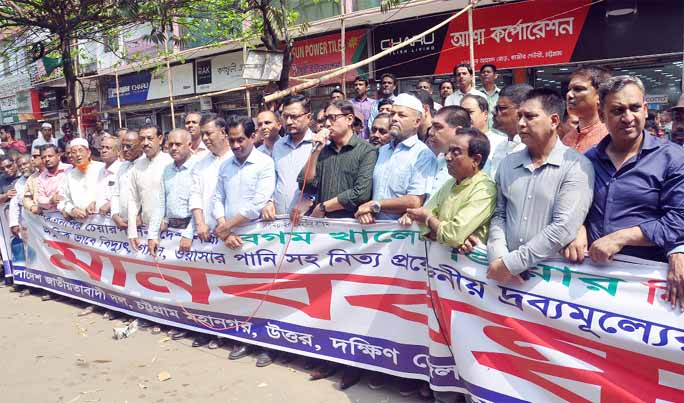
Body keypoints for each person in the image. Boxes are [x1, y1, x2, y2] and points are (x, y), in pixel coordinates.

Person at [563, 76, 684, 311]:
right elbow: (573, 206)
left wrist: (621, 237)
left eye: (635, 108)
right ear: (602, 113)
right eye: (618, 110)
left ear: (646, 109)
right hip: (589, 283)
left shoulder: (673, 158)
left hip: (646, 287)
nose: (628, 118)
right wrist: (578, 227)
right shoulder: (586, 161)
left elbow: (678, 221)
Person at [487, 88, 594, 284]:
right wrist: (498, 255)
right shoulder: (508, 164)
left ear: (554, 121)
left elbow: (563, 227)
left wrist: (511, 264)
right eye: (519, 116)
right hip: (504, 277)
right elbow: (499, 214)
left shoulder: (576, 166)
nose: (521, 123)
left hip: (549, 281)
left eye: (530, 117)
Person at [212, 116, 275, 366]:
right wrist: (223, 228)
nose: (236, 145)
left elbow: (258, 203)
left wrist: (227, 226)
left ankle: (268, 345)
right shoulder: (225, 166)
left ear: (253, 137)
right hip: (229, 239)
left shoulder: (264, 163)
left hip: (258, 239)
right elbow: (217, 198)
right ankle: (244, 338)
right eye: (233, 140)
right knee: (238, 292)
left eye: (241, 140)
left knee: (264, 294)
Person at [406, 128, 496, 251]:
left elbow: (453, 235)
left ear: (476, 160)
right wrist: (435, 228)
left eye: (456, 152)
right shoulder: (450, 183)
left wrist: (428, 219)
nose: (448, 157)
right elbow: (424, 223)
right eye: (448, 151)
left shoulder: (485, 189)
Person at [355, 93, 437, 227]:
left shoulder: (423, 155)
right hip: (371, 230)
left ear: (417, 122)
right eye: (392, 114)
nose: (394, 118)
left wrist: (375, 206)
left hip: (400, 235)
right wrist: (366, 210)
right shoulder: (382, 151)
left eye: (401, 115)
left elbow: (415, 201)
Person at [295, 100, 378, 221]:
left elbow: (361, 193)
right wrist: (315, 152)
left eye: (333, 118)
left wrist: (323, 207)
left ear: (349, 119)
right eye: (325, 119)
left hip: (352, 225)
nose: (327, 124)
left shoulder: (367, 151)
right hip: (323, 227)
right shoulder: (323, 151)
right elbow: (305, 186)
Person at [261, 94, 315, 220]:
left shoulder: (319, 145)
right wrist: (268, 201)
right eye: (285, 116)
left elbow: (325, 184)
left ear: (308, 117)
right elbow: (272, 179)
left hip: (309, 222)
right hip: (278, 221)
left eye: (294, 117)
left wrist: (311, 200)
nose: (289, 122)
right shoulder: (278, 146)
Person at [147, 128, 197, 256]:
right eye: (170, 145)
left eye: (178, 144)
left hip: (193, 234)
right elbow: (161, 203)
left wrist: (189, 233)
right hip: (171, 232)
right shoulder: (167, 170)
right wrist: (152, 235)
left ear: (189, 145)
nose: (173, 148)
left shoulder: (199, 168)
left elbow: (202, 205)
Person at [127, 124, 173, 251]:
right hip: (146, 230)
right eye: (142, 139)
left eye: (150, 138)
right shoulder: (136, 166)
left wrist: (166, 219)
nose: (145, 143)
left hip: (169, 230)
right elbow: (133, 199)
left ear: (160, 139)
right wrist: (132, 231)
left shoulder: (170, 163)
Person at [487, 84, 533, 179]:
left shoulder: (533, 150)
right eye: (496, 108)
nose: (494, 112)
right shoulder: (500, 146)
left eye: (502, 108)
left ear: (522, 111)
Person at [562, 66, 611, 152]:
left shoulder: (610, 137)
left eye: (578, 89)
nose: (569, 94)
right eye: (569, 89)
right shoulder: (567, 138)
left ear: (600, 95)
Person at [425, 106, 471, 195]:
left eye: (438, 127)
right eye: (432, 126)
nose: (430, 132)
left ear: (458, 131)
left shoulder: (470, 166)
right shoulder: (436, 160)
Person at [60, 138, 106, 220]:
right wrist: (71, 210)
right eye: (74, 152)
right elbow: (63, 200)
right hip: (80, 225)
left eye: (81, 151)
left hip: (102, 221)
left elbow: (111, 193)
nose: (77, 154)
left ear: (88, 153)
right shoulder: (68, 175)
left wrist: (97, 202)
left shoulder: (102, 169)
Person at [460, 94, 506, 174]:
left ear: (485, 115)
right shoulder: (455, 143)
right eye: (462, 113)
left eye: (469, 112)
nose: (465, 117)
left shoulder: (501, 143)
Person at [111, 130, 142, 232]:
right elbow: (116, 193)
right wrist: (115, 215)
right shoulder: (122, 167)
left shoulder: (148, 166)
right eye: (123, 146)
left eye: (129, 146)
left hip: (142, 224)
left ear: (140, 145)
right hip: (123, 223)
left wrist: (141, 216)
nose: (124, 150)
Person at [95, 136, 122, 216]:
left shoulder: (123, 170)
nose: (103, 151)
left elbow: (128, 196)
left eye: (108, 148)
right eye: (102, 147)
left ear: (118, 151)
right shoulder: (100, 170)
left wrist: (111, 204)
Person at [22, 147, 45, 217]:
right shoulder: (32, 178)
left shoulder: (59, 172)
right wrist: (31, 206)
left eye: (35, 156)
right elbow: (26, 198)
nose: (32, 159)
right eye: (32, 156)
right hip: (41, 218)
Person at [478, 64, 500, 128]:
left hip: (499, 132)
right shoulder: (476, 95)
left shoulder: (502, 94)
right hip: (482, 133)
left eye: (488, 72)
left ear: (495, 76)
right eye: (483, 72)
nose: (485, 74)